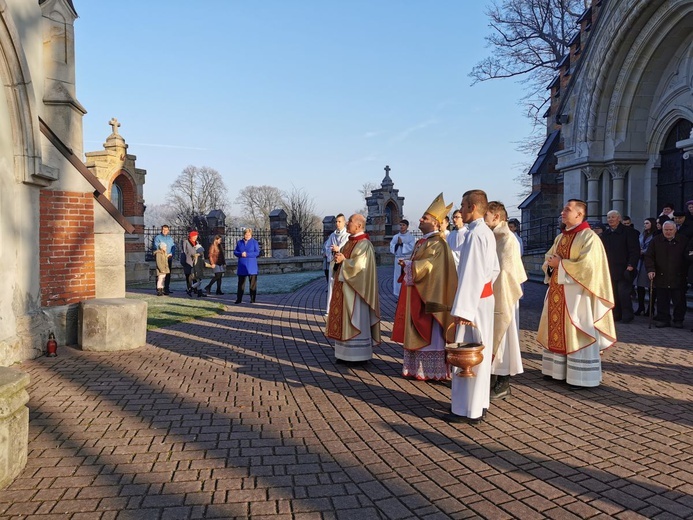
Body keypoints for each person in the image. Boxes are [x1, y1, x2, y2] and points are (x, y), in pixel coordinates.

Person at [538, 199, 616, 388]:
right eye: (563, 209)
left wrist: (561, 265)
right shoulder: (561, 237)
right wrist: (550, 263)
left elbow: (589, 268)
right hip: (558, 291)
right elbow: (550, 257)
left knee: (577, 329)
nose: (562, 212)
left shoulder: (589, 237)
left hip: (578, 297)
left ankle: (580, 377)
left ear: (579, 215)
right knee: (557, 328)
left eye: (567, 209)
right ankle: (556, 371)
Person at [446, 189, 499, 424]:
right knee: (481, 353)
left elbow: (471, 275)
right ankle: (479, 404)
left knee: (467, 354)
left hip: (473, 304)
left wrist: (463, 311)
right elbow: (493, 271)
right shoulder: (484, 232)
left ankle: (467, 409)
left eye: (463, 205)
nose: (460, 210)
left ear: (472, 207)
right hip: (483, 299)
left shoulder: (476, 235)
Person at [391, 194, 457, 380]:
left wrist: (411, 266)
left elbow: (431, 268)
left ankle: (431, 370)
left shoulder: (439, 244)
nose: (420, 219)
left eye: (425, 218)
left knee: (431, 333)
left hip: (431, 297)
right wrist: (409, 264)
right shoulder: (424, 241)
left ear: (436, 223)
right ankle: (416, 368)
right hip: (417, 294)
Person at [484, 201, 527, 400]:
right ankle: (493, 377)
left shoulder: (508, 240)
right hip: (492, 295)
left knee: (505, 339)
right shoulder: (493, 236)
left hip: (504, 296)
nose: (483, 219)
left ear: (497, 217)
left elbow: (506, 272)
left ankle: (503, 381)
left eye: (486, 215)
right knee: (493, 339)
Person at [326, 214, 381, 363]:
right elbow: (339, 261)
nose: (348, 223)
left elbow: (360, 268)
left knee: (356, 319)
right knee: (343, 321)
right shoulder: (348, 243)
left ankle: (358, 356)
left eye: (350, 221)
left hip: (357, 292)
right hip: (344, 290)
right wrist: (337, 261)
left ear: (358, 225)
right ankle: (343, 354)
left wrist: (344, 262)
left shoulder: (364, 244)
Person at [645, 221, 688, 328]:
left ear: (675, 230)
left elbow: (687, 257)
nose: (668, 232)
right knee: (662, 299)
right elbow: (649, 256)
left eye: (670, 230)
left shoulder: (683, 240)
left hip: (678, 275)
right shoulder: (656, 241)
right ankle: (663, 319)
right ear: (662, 230)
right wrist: (650, 269)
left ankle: (678, 319)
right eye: (666, 230)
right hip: (661, 275)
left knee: (679, 300)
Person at [600, 210, 640, 323]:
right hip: (610, 269)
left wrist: (631, 265)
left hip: (625, 269)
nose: (610, 219)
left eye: (613, 217)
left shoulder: (629, 232)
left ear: (619, 219)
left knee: (623, 293)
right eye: (608, 218)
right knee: (613, 293)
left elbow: (634, 251)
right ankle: (616, 314)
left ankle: (627, 315)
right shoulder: (606, 234)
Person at [323, 214, 349, 315]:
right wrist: (332, 251)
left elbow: (348, 249)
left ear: (344, 222)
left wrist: (339, 249)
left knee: (342, 286)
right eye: (336, 222)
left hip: (343, 263)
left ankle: (342, 310)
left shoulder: (347, 235)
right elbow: (327, 247)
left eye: (339, 221)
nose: (337, 224)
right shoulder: (333, 235)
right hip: (333, 263)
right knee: (331, 285)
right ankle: (330, 310)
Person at [634, 218, 657, 316]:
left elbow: (653, 248)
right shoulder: (642, 234)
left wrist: (643, 251)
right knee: (639, 286)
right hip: (640, 262)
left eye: (647, 223)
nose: (645, 225)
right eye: (644, 223)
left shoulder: (655, 235)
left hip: (649, 262)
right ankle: (641, 306)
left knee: (651, 286)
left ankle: (650, 308)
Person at [389, 219, 416, 297]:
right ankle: (398, 294)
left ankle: (406, 295)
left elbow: (411, 247)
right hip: (398, 259)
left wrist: (402, 244)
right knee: (398, 276)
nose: (401, 227)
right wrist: (397, 244)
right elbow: (391, 247)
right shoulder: (395, 237)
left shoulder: (411, 237)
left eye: (403, 225)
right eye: (400, 225)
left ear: (407, 226)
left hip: (406, 259)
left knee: (406, 277)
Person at [234, 228, 260, 304]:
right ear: (244, 234)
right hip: (242, 265)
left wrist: (247, 254)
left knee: (252, 284)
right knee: (241, 284)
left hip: (252, 266)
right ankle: (239, 299)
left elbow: (257, 253)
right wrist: (240, 254)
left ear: (251, 235)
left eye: (249, 234)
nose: (247, 236)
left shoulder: (254, 242)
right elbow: (235, 252)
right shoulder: (239, 242)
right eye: (246, 234)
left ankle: (252, 299)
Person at [153, 225, 176, 295]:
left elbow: (173, 247)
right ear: (161, 230)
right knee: (160, 274)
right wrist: (163, 253)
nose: (165, 231)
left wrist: (171, 253)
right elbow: (156, 246)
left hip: (168, 257)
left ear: (168, 230)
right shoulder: (158, 238)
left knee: (168, 273)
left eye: (166, 230)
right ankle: (159, 289)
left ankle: (166, 288)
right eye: (163, 230)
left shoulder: (170, 238)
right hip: (161, 257)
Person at [183, 231, 206, 297]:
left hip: (196, 261)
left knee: (197, 277)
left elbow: (200, 251)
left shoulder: (197, 243)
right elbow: (184, 252)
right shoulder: (186, 242)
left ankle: (197, 291)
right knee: (190, 276)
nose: (195, 237)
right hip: (189, 261)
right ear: (191, 236)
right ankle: (190, 289)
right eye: (194, 236)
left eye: (196, 236)